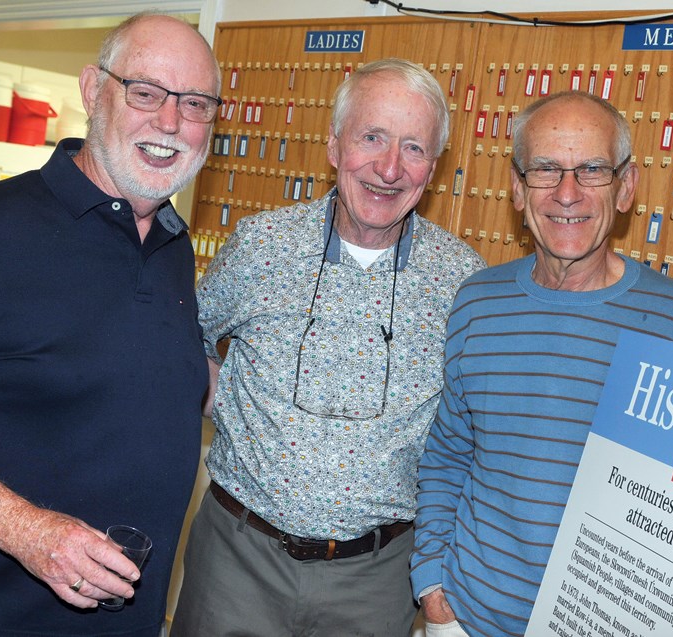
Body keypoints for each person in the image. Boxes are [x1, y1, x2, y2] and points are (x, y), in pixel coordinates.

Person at [170, 58, 485, 637]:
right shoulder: (262, 245)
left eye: (413, 148)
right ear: (335, 147)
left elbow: (470, 427)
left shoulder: (462, 280)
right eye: (372, 138)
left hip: (377, 578)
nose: (389, 168)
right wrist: (224, 398)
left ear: (433, 169)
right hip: (238, 560)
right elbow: (182, 338)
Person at [410, 91, 673, 637]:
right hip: (468, 621)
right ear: (516, 187)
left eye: (592, 170)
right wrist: (435, 591)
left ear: (625, 188)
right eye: (546, 169)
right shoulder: (477, 303)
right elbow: (448, 455)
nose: (567, 193)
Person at [0, 13, 220, 636]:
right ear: (92, 90)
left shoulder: (172, 245)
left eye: (195, 104)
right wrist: (28, 532)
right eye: (145, 93)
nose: (170, 123)